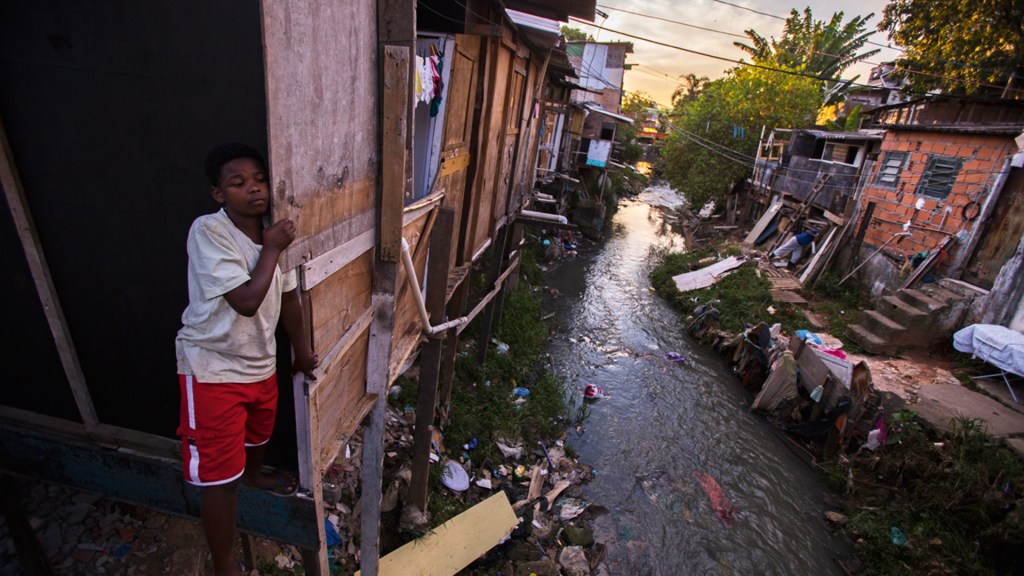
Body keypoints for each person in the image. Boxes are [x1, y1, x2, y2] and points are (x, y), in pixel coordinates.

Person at [175, 142, 318, 576]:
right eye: (238, 184)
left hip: (259, 361)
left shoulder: (276, 231)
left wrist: (301, 350)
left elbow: (290, 300)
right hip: (213, 367)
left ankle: (255, 475)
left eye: (258, 180)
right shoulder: (209, 232)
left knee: (257, 435)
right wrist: (271, 248)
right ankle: (225, 565)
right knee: (220, 479)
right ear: (219, 194)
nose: (253, 189)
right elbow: (246, 301)